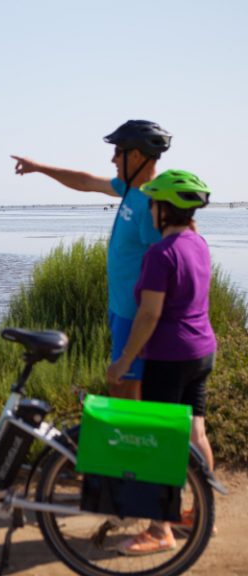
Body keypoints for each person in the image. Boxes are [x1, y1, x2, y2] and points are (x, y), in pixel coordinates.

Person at [12, 120, 172, 400]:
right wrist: (38, 167)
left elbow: (166, 268)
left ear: (135, 155)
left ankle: (131, 443)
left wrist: (147, 321)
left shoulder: (151, 204)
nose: (113, 159)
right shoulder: (128, 189)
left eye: (118, 151)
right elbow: (85, 181)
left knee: (125, 392)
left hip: (134, 316)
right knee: (122, 391)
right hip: (120, 309)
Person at [107, 169, 216, 555]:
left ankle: (159, 530)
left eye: (153, 203)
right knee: (195, 433)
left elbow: (149, 316)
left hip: (169, 357)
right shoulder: (198, 243)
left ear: (165, 210)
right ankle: (200, 513)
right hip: (202, 352)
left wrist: (123, 362)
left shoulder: (160, 254)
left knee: (160, 443)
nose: (150, 209)